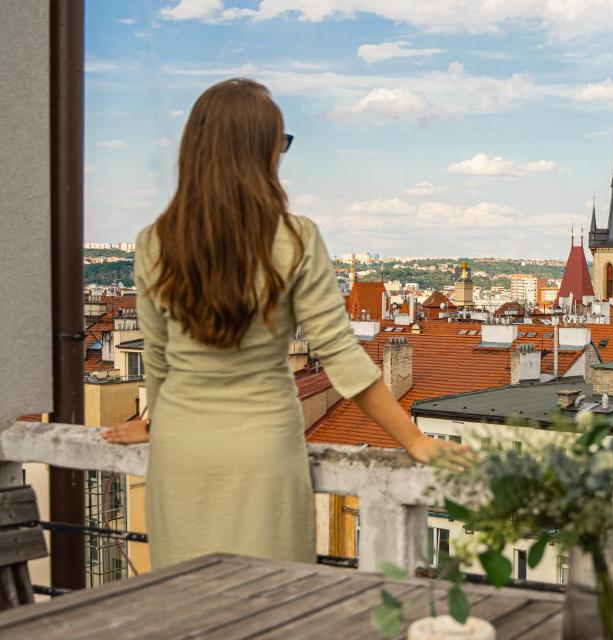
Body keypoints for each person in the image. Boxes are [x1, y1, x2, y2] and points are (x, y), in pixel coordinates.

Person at [102, 78, 450, 569]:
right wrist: (412, 439)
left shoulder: (154, 242)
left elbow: (158, 359)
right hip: (263, 447)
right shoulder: (294, 238)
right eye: (280, 143)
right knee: (271, 600)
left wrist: (152, 422)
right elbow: (341, 356)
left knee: (187, 604)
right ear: (262, 151)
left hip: (179, 450)